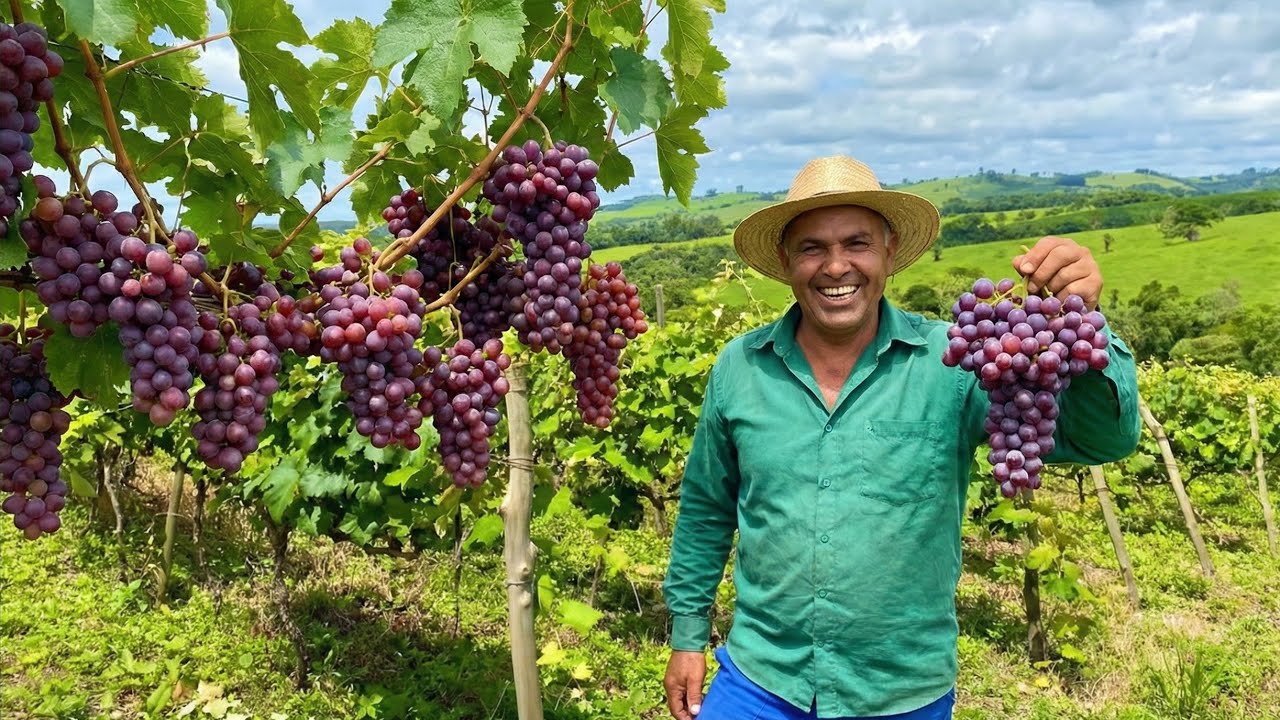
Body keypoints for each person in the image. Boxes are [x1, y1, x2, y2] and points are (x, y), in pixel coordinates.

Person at [661, 155, 1141, 720]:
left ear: (889, 253)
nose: (835, 266)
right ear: (788, 262)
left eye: (857, 243)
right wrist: (688, 635)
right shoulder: (740, 366)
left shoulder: (956, 363)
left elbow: (1101, 440)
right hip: (761, 678)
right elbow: (705, 508)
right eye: (812, 247)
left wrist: (1086, 319)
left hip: (900, 692)